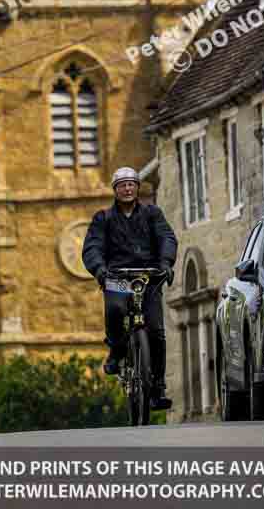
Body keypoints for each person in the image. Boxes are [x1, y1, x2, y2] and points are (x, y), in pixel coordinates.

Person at [82, 167, 178, 410]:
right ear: (115, 190)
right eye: (122, 185)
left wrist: (165, 263)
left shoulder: (152, 214)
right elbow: (92, 247)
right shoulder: (103, 218)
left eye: (131, 184)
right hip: (117, 277)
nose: (127, 189)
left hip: (149, 277)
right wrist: (99, 269)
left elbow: (167, 237)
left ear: (137, 188)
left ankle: (157, 388)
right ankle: (116, 351)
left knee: (156, 331)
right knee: (114, 310)